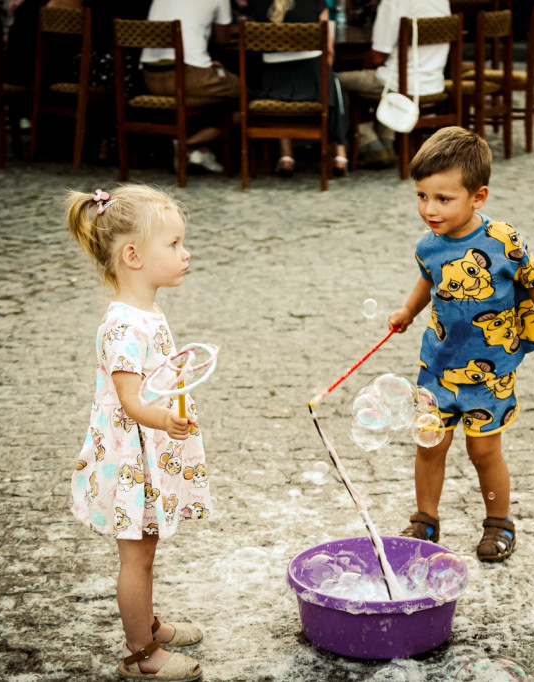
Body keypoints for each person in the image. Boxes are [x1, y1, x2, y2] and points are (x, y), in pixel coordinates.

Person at [388, 127, 534, 562]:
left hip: (490, 371)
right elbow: (429, 280)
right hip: (436, 366)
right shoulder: (427, 245)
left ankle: (498, 523)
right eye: (421, 196)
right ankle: (425, 519)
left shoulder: (502, 240)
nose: (429, 209)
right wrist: (408, 312)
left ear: (478, 196)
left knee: (483, 449)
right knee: (429, 445)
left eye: (443, 199)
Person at [65, 184, 211, 682]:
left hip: (145, 452)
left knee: (146, 549)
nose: (185, 252)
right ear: (133, 255)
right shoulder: (124, 325)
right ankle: (141, 653)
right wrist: (167, 418)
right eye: (172, 244)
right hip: (131, 458)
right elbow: (129, 401)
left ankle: (149, 624)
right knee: (138, 557)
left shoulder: (145, 312)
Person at [336, 0, 449, 169]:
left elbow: (377, 57)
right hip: (433, 81)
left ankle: (370, 143)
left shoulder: (393, 2)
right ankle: (387, 141)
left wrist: (363, 64)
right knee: (376, 80)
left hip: (400, 82)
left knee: (335, 80)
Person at [248, 0, 350, 177]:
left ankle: (286, 155)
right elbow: (329, 50)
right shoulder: (315, 3)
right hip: (314, 88)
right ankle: (340, 155)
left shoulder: (258, 4)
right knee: (334, 83)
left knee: (280, 78)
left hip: (273, 89)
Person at [141, 0, 240, 174]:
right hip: (188, 74)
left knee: (213, 99)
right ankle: (188, 144)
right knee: (249, 95)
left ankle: (200, 150)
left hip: (151, 77)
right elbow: (222, 38)